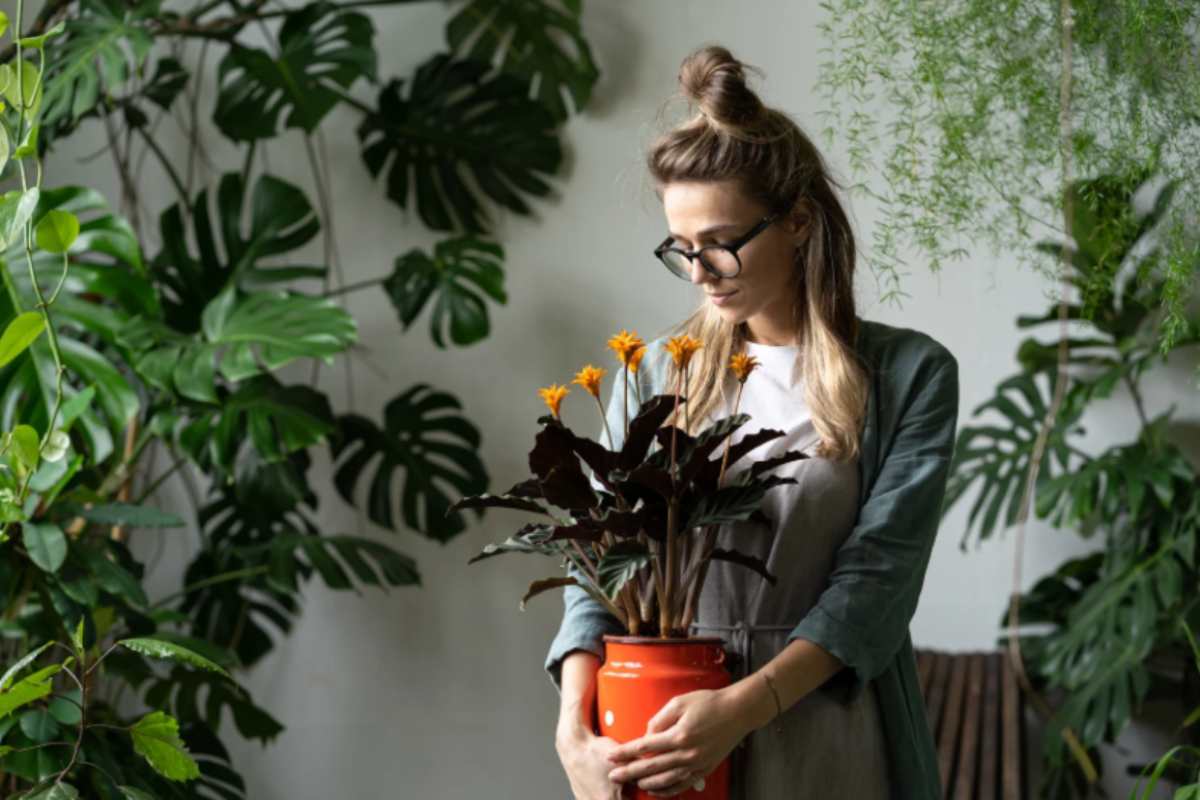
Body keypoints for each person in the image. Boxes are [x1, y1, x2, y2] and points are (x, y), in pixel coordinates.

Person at [547, 44, 959, 800]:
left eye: (722, 245)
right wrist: (574, 730)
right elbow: (596, 566)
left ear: (798, 222)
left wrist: (743, 709)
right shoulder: (651, 373)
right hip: (657, 734)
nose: (700, 273)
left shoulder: (909, 377)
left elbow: (875, 586)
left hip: (823, 736)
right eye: (682, 249)